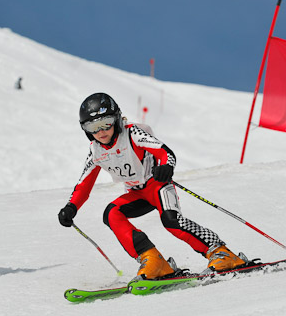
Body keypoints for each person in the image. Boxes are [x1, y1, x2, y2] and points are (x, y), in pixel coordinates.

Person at [58, 92, 246, 280]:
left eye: (105, 123)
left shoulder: (132, 133)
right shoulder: (96, 151)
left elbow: (166, 152)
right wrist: (70, 207)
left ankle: (221, 253)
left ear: (116, 118)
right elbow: (83, 185)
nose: (101, 131)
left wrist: (166, 166)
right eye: (93, 127)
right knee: (112, 213)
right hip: (136, 193)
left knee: (171, 221)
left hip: (157, 185)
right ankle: (154, 261)